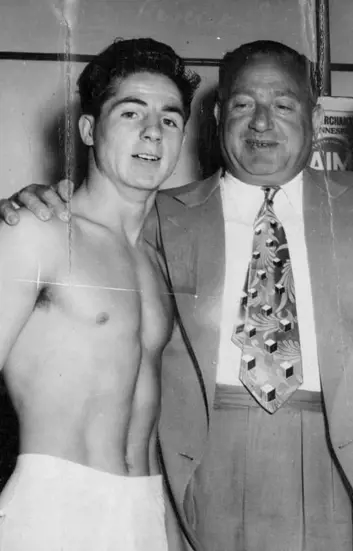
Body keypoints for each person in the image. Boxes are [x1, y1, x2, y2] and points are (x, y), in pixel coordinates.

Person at [0, 41, 353, 551]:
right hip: (202, 459)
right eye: (244, 105)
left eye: (283, 105)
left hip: (337, 449)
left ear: (314, 114)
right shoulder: (160, 218)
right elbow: (92, 223)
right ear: (220, 116)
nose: (262, 124)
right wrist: (31, 199)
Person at [0, 38, 200, 551]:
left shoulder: (156, 262)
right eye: (131, 113)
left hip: (144, 513)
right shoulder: (37, 229)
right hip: (53, 512)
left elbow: (146, 421)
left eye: (170, 119)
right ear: (89, 129)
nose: (153, 132)